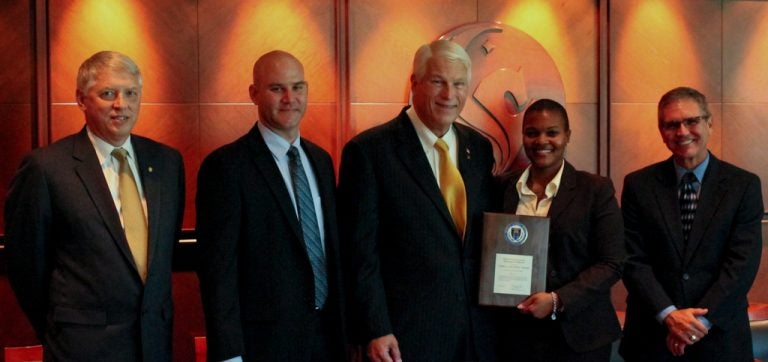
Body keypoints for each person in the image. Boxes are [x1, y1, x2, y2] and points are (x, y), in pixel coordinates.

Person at [5, 51, 185, 361]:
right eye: (108, 94)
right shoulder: (46, 168)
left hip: (154, 345)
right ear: (81, 99)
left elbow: (165, 253)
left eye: (131, 93)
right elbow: (25, 267)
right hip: (80, 348)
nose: (121, 104)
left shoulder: (167, 162)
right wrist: (61, 327)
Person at [337, 39, 497, 362]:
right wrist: (375, 327)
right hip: (407, 336)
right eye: (438, 81)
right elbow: (359, 253)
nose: (448, 95)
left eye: (458, 84)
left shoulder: (479, 149)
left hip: (477, 333)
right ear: (414, 83)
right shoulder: (370, 152)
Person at [196, 50, 345, 362]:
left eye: (298, 87)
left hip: (328, 340)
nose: (290, 98)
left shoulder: (321, 161)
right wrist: (228, 354)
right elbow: (218, 271)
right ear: (254, 93)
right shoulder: (226, 167)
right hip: (262, 345)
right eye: (277, 88)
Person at [620, 86, 764, 361]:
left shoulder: (743, 186)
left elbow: (741, 265)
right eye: (672, 124)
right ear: (662, 132)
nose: (682, 132)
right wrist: (669, 315)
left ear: (709, 123)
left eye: (691, 121)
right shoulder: (638, 185)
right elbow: (632, 259)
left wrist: (698, 324)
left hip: (720, 338)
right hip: (652, 337)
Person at [496, 99, 624, 361]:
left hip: (580, 336)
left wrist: (558, 300)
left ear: (567, 136)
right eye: (532, 133)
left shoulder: (595, 190)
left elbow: (613, 262)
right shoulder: (500, 188)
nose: (541, 140)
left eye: (552, 132)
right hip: (515, 337)